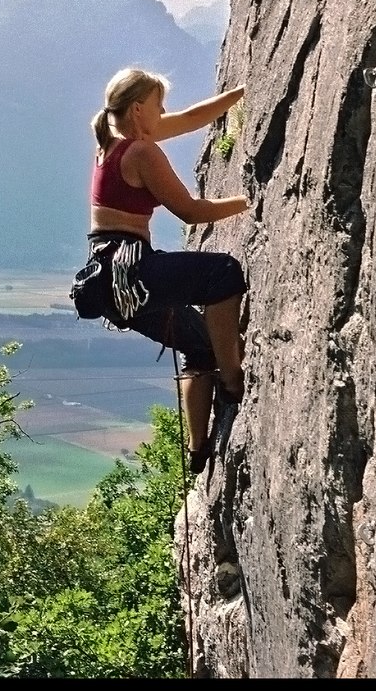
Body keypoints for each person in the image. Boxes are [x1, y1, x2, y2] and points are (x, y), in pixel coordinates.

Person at [81, 65, 250, 474]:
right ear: (138, 108)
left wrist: (240, 93)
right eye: (159, 104)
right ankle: (232, 383)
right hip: (132, 272)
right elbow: (190, 211)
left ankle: (198, 449)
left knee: (199, 346)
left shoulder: (112, 144)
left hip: (111, 283)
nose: (163, 112)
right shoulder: (141, 152)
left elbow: (191, 118)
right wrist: (248, 202)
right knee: (222, 273)